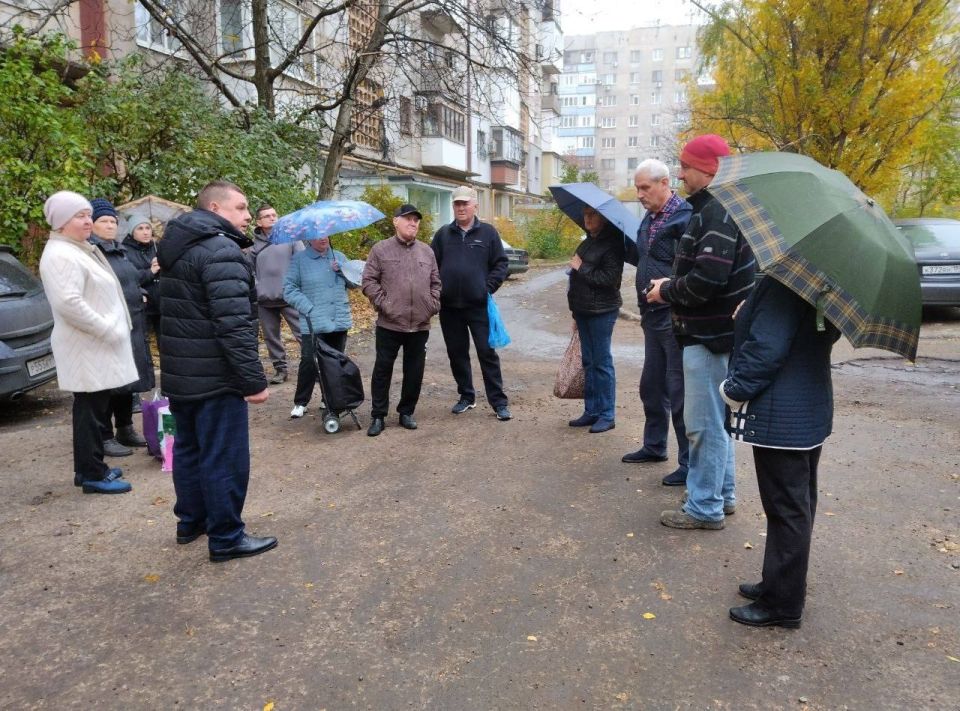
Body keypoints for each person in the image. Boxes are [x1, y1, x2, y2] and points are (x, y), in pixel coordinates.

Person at [157, 180, 276, 562]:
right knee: (223, 457)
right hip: (215, 378)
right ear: (214, 207)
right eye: (240, 208)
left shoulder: (176, 248)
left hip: (182, 375)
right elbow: (234, 325)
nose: (247, 216)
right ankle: (226, 536)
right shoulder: (221, 251)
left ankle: (191, 522)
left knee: (189, 451)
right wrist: (253, 381)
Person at [646, 134, 756, 530]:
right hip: (717, 336)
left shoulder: (717, 212)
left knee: (704, 425)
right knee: (716, 423)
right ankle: (721, 496)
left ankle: (704, 507)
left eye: (686, 166)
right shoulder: (720, 210)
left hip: (708, 339)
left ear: (708, 170)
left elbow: (708, 279)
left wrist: (666, 290)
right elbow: (711, 271)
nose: (680, 173)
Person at [721, 276, 840, 628]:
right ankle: (778, 583)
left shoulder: (785, 282)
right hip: (808, 409)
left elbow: (766, 348)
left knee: (787, 509)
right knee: (797, 505)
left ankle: (782, 603)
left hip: (782, 414)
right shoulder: (824, 282)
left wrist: (733, 389)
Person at [38, 191, 138, 494]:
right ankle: (92, 473)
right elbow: (69, 303)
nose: (88, 221)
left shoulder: (77, 248)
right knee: (90, 412)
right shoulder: (60, 254)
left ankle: (89, 468)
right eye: (80, 216)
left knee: (94, 410)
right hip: (88, 346)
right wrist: (107, 329)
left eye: (87, 215)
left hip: (94, 346)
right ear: (61, 222)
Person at [622, 160, 693, 486]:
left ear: (664, 183)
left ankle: (688, 464)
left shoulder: (685, 217)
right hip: (651, 316)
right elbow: (646, 258)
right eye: (637, 188)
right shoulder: (649, 218)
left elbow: (690, 269)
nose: (639, 194)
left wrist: (668, 287)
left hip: (674, 315)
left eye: (644, 188)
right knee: (651, 386)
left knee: (678, 392)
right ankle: (654, 446)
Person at [431, 185, 511, 421]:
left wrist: (486, 287)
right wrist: (437, 291)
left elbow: (501, 264)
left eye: (465, 203)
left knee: (487, 354)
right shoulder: (443, 235)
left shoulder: (488, 233)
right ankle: (466, 396)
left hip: (478, 307)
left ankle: (498, 402)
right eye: (457, 203)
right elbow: (432, 266)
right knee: (457, 354)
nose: (461, 207)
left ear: (475, 205)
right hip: (449, 309)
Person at [361, 204, 441, 437]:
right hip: (389, 324)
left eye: (416, 220)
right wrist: (385, 305)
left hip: (419, 324)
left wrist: (432, 305)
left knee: (414, 370)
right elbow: (368, 281)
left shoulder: (427, 252)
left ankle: (407, 411)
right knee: (383, 370)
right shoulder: (381, 250)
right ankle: (378, 415)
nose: (413, 223)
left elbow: (436, 282)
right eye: (408, 219)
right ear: (396, 221)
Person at [89, 198, 153, 456]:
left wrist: (139, 290)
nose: (109, 226)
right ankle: (104, 435)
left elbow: (129, 278)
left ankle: (125, 428)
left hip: (132, 322)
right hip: (109, 325)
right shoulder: (92, 253)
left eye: (113, 221)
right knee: (108, 383)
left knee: (127, 380)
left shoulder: (119, 250)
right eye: (103, 221)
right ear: (91, 225)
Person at [566, 206, 625, 433]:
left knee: (602, 362)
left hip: (602, 311)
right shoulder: (587, 241)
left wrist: (581, 268)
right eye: (586, 214)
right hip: (583, 310)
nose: (587, 219)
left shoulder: (613, 245)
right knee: (588, 362)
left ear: (604, 218)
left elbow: (609, 279)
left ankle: (607, 414)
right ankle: (591, 411)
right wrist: (574, 313)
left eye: (592, 215)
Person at [283, 233, 355, 419]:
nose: (323, 239)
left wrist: (343, 272)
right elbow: (289, 289)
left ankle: (329, 398)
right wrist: (308, 307)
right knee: (309, 362)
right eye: (318, 236)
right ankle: (301, 402)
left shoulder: (338, 256)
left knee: (335, 363)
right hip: (313, 321)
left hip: (338, 319)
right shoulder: (299, 260)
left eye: (326, 235)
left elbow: (356, 283)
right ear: (308, 239)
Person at [248, 204, 302, 384]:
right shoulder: (253, 245)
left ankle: (315, 366)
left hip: (290, 296)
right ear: (259, 222)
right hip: (264, 299)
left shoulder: (291, 238)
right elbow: (249, 271)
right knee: (271, 336)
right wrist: (258, 288)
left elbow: (302, 263)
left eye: (274, 214)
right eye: (267, 216)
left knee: (304, 333)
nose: (272, 218)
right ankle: (280, 369)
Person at [121, 212, 161, 343]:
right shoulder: (124, 251)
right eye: (140, 228)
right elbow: (130, 278)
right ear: (132, 232)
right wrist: (151, 271)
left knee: (165, 343)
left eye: (148, 228)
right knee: (143, 342)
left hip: (161, 305)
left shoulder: (157, 247)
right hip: (141, 306)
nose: (145, 232)